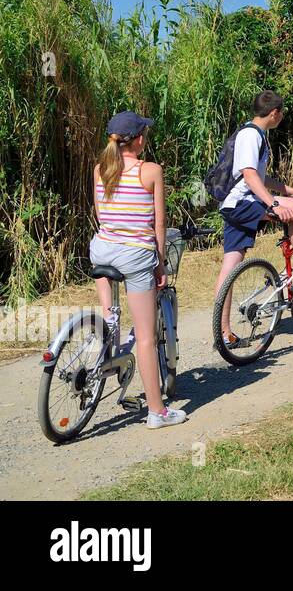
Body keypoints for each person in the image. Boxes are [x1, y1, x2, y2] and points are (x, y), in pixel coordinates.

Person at [91, 111, 187, 428]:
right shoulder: (151, 171)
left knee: (111, 316)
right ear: (140, 139)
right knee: (145, 337)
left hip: (102, 251)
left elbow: (102, 215)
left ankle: (107, 346)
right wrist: (159, 263)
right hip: (135, 256)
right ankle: (157, 412)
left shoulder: (99, 169)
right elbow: (158, 222)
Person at [215, 91, 293, 348]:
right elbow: (250, 176)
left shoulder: (253, 134)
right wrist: (274, 203)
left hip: (233, 204)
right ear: (274, 113)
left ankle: (223, 333)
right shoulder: (252, 135)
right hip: (242, 203)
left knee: (231, 264)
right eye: (281, 112)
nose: (282, 117)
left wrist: (286, 190)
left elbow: (260, 178)